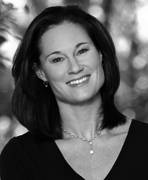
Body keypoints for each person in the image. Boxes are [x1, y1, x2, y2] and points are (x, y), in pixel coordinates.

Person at [0, 5, 148, 180]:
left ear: (100, 54)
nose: (75, 67)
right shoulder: (21, 156)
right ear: (40, 72)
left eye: (82, 51)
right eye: (57, 59)